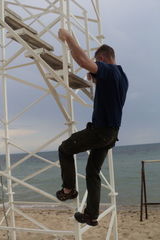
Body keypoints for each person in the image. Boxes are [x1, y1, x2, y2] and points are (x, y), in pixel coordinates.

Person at [56, 28, 128, 226]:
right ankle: (91, 215)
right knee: (92, 172)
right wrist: (95, 77)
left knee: (64, 149)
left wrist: (69, 38)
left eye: (97, 63)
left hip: (100, 131)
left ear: (103, 59)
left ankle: (68, 190)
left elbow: (83, 61)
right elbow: (105, 87)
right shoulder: (121, 76)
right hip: (111, 134)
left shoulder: (110, 70)